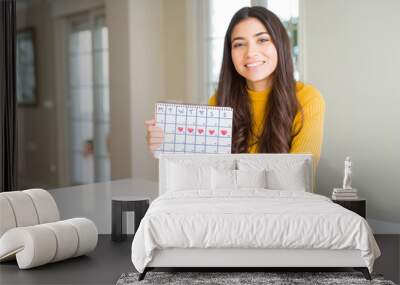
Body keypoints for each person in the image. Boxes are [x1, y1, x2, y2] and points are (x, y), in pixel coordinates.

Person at [145, 6, 325, 166]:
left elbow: (301, 178)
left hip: (285, 203)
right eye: (239, 44)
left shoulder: (307, 99)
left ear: (280, 45)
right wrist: (168, 144)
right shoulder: (219, 101)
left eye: (262, 40)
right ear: (230, 54)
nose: (250, 53)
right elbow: (205, 170)